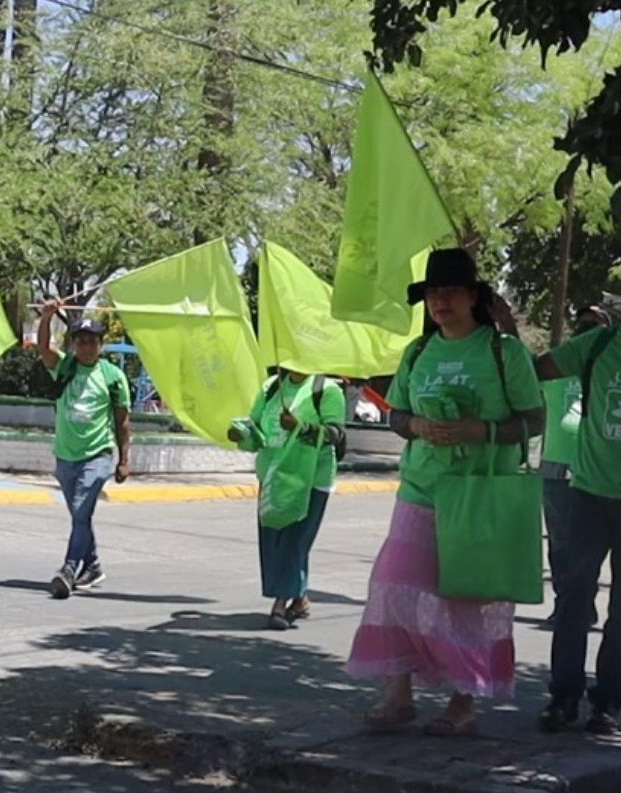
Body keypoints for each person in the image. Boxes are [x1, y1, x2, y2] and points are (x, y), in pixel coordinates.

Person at [344, 248, 544, 736]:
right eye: (433, 293)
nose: (440, 302)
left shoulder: (504, 352)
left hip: (479, 495)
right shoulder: (417, 352)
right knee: (392, 587)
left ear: (474, 297)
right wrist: (416, 424)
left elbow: (534, 420)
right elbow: (396, 414)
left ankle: (463, 703)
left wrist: (481, 431)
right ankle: (397, 696)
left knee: (466, 600)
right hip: (420, 491)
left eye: (451, 292)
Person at [536, 305, 621, 735]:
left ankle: (607, 702)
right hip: (589, 494)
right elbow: (540, 369)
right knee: (574, 601)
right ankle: (564, 697)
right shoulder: (599, 343)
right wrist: (500, 327)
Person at [228, 369, 345, 630]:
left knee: (295, 539)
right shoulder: (271, 387)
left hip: (311, 478)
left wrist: (302, 427)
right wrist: (240, 433)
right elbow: (256, 427)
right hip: (273, 475)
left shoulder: (326, 390)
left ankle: (280, 605)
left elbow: (335, 433)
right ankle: (300, 598)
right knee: (274, 539)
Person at [36, 300, 131, 599]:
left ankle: (68, 569)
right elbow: (43, 349)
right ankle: (93, 565)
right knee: (80, 516)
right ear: (74, 344)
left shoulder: (113, 377)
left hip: (97, 454)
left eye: (92, 341)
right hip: (65, 455)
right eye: (81, 341)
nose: (87, 347)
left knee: (80, 510)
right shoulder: (65, 367)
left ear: (101, 345)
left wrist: (123, 460)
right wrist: (47, 318)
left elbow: (123, 422)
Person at [540, 305, 611, 628]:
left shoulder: (609, 366)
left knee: (588, 548)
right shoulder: (560, 365)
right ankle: (566, 604)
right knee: (559, 544)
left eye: (594, 325)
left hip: (596, 471)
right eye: (582, 324)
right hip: (555, 467)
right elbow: (526, 373)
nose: (586, 329)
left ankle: (584, 602)